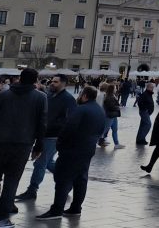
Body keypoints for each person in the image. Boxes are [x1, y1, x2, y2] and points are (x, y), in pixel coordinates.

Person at [0, 68, 47, 227]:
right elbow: (41, 124)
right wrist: (38, 146)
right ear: (35, 80)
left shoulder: (3, 95)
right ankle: (2, 219)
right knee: (11, 182)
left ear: (20, 78)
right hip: (22, 145)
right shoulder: (40, 98)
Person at [33, 86, 107, 219]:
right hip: (88, 148)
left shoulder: (81, 109)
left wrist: (60, 144)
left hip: (73, 149)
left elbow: (69, 128)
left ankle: (56, 210)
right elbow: (102, 129)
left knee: (63, 179)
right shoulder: (99, 110)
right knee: (81, 178)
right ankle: (76, 207)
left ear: (84, 96)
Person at [15, 74, 76, 202]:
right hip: (43, 133)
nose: (52, 83)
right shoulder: (48, 95)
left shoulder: (68, 99)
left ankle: (32, 190)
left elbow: (69, 119)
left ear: (64, 83)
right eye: (52, 81)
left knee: (40, 163)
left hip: (53, 136)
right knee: (47, 162)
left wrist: (51, 125)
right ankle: (67, 179)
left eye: (56, 82)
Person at [98, 83, 122, 148]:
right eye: (115, 88)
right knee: (104, 130)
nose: (116, 89)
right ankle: (97, 141)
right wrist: (118, 107)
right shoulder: (106, 96)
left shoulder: (111, 95)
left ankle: (116, 144)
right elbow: (108, 106)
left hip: (113, 115)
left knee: (114, 129)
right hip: (109, 115)